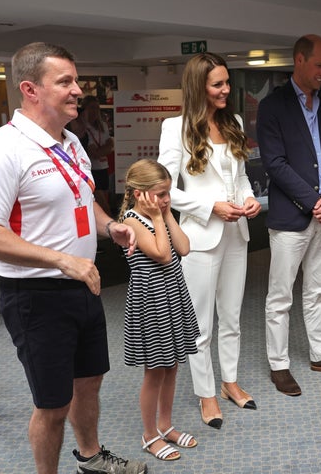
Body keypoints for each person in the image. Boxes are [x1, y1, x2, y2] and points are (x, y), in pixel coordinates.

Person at [0, 42, 146, 474]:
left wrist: (109, 227)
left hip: (83, 284)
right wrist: (62, 260)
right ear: (30, 89)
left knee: (89, 384)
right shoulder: (1, 150)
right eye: (64, 81)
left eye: (75, 79)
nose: (77, 90)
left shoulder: (71, 142)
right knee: (52, 403)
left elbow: (84, 198)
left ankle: (90, 458)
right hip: (35, 295)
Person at [158, 52, 262, 428]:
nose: (226, 90)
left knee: (232, 316)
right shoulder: (176, 128)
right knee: (201, 323)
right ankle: (206, 394)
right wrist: (209, 206)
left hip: (237, 232)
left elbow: (242, 176)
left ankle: (230, 382)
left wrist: (248, 198)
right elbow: (164, 189)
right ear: (198, 86)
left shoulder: (232, 121)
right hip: (200, 236)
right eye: (217, 84)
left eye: (227, 82)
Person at [256, 34, 321, 397]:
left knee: (318, 289)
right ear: (299, 60)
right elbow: (275, 164)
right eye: (319, 65)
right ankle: (279, 364)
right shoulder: (272, 106)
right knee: (280, 295)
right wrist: (313, 200)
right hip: (292, 216)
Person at [118, 159, 200, 462]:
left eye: (168, 193)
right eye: (160, 193)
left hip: (172, 296)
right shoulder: (131, 222)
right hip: (151, 301)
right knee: (154, 371)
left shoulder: (160, 214)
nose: (166, 199)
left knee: (173, 364)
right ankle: (150, 433)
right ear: (139, 193)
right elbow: (164, 255)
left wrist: (166, 215)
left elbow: (184, 248)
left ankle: (166, 425)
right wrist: (157, 216)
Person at [81, 95, 114, 216]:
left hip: (103, 167)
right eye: (91, 108)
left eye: (96, 108)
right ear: (85, 109)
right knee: (100, 202)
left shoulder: (103, 125)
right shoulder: (82, 127)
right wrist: (104, 149)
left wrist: (102, 150)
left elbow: (110, 146)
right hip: (91, 169)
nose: (94, 111)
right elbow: (93, 153)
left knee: (105, 198)